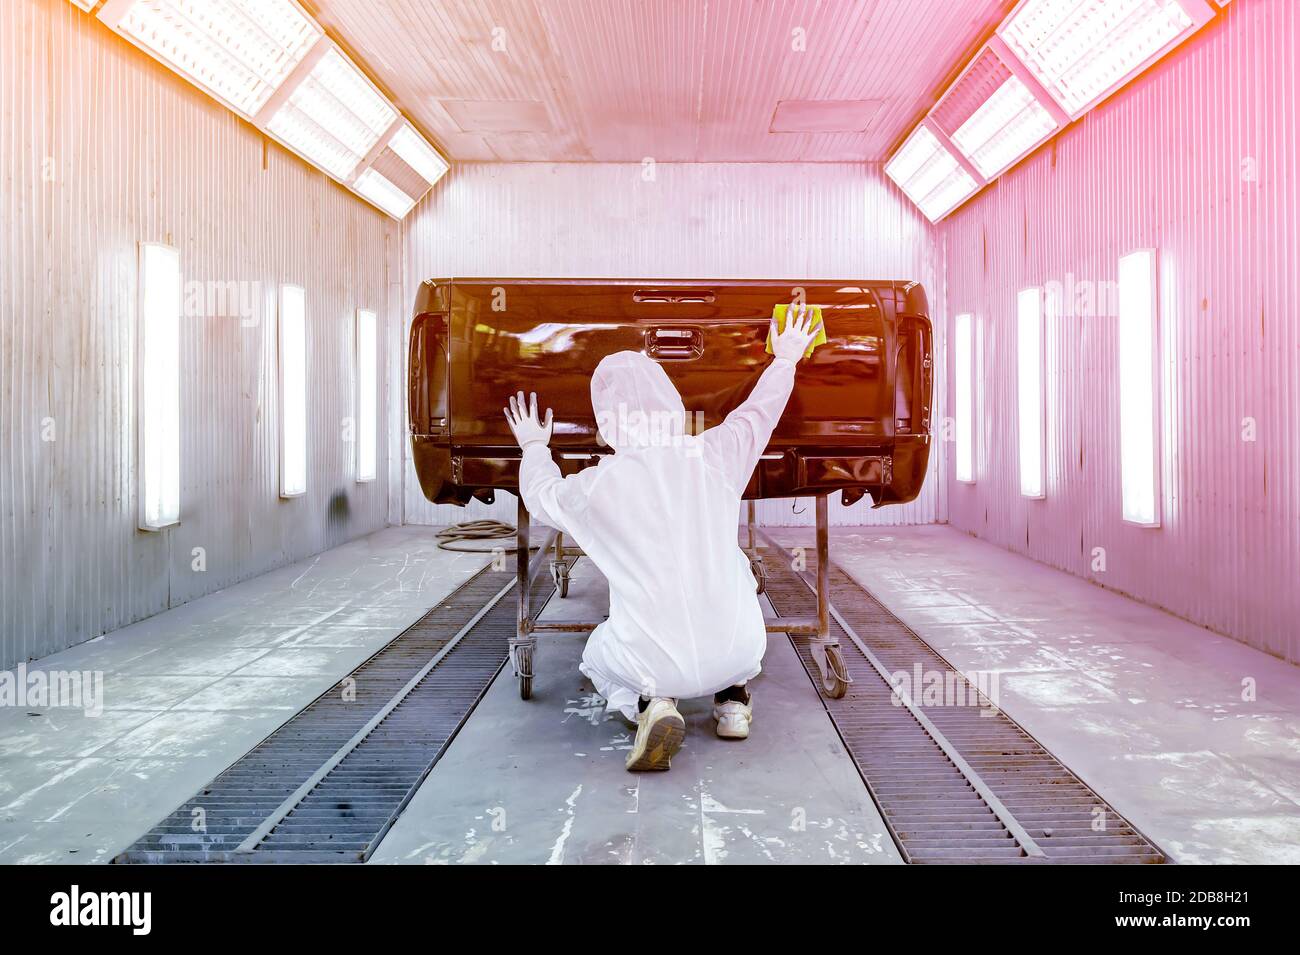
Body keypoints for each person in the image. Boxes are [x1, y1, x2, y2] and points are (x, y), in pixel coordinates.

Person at [503, 303, 822, 771]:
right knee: (732, 561)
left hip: (650, 665)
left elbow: (540, 495)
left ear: (608, 420)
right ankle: (733, 702)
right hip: (740, 649)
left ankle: (650, 708)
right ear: (670, 402)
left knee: (595, 655)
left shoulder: (596, 487)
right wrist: (787, 357)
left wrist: (534, 446)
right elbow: (760, 411)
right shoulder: (715, 454)